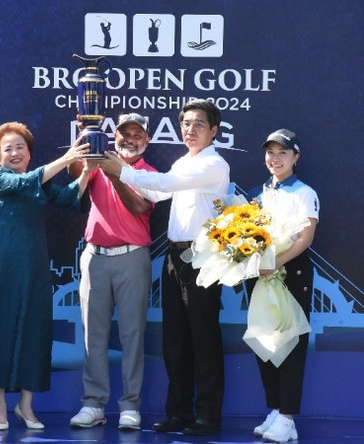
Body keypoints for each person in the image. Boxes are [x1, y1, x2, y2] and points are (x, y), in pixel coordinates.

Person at [99, 99, 230, 436]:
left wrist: (121, 171)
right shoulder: (183, 162)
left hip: (203, 259)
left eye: (198, 124)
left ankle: (208, 416)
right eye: (186, 123)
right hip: (174, 258)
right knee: (175, 340)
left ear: (214, 131)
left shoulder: (214, 164)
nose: (190, 130)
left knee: (203, 339)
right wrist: (118, 169)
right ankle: (179, 413)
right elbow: (156, 193)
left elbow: (165, 185)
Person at [0, 121, 90, 431]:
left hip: (35, 268)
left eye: (20, 147)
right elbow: (26, 183)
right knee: (0, 328)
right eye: (7, 149)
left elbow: (70, 198)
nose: (14, 153)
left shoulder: (41, 184)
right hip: (2, 268)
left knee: (34, 331)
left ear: (30, 153)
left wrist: (88, 170)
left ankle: (25, 405)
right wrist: (67, 158)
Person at [67, 113, 157, 431]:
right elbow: (73, 172)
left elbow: (139, 207)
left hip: (132, 257)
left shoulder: (149, 174)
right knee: (93, 335)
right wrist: (85, 139)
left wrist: (115, 173)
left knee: (132, 335)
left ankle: (130, 406)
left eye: (137, 134)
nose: (130, 139)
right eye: (124, 133)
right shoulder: (99, 161)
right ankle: (93, 404)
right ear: (114, 136)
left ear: (146, 140)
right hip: (94, 256)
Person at [252, 128, 319, 443]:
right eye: (271, 152)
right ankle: (276, 410)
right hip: (261, 273)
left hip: (291, 271)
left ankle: (288, 418)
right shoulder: (258, 194)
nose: (275, 158)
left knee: (291, 343)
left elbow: (305, 238)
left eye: (283, 153)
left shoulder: (305, 192)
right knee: (265, 341)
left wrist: (276, 262)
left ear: (296, 158)